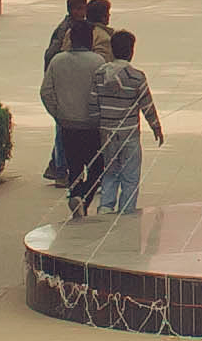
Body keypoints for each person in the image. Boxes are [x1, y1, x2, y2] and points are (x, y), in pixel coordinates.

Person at [88, 29, 166, 217]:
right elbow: (147, 105)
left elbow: (93, 105)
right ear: (131, 51)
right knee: (130, 176)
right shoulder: (136, 77)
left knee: (109, 172)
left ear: (112, 51)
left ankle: (105, 209)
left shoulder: (99, 74)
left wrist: (95, 128)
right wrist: (156, 126)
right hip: (129, 134)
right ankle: (127, 213)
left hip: (106, 133)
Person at [40, 19, 107, 205]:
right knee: (96, 166)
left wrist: (58, 114)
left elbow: (45, 91)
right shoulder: (97, 61)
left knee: (75, 167)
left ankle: (76, 196)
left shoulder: (57, 61)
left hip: (67, 123)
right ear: (90, 39)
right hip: (91, 124)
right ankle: (84, 198)